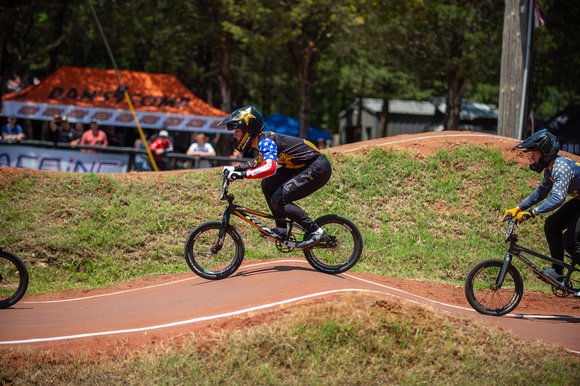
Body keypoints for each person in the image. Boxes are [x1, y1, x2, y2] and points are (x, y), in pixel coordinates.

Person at [219, 106, 332, 248]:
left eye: (237, 131)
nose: (234, 135)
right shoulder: (263, 140)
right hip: (302, 166)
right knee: (268, 184)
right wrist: (234, 168)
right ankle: (282, 229)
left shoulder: (266, 141)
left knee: (279, 199)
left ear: (248, 130)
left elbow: (269, 168)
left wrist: (242, 175)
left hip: (317, 167)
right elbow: (257, 162)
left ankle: (316, 231)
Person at [503, 129, 580, 296]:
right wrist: (519, 208)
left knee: (571, 240)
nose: (531, 158)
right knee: (552, 224)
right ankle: (558, 271)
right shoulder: (549, 169)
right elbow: (541, 193)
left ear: (545, 153)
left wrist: (532, 213)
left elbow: (557, 199)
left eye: (534, 154)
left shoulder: (561, 167)